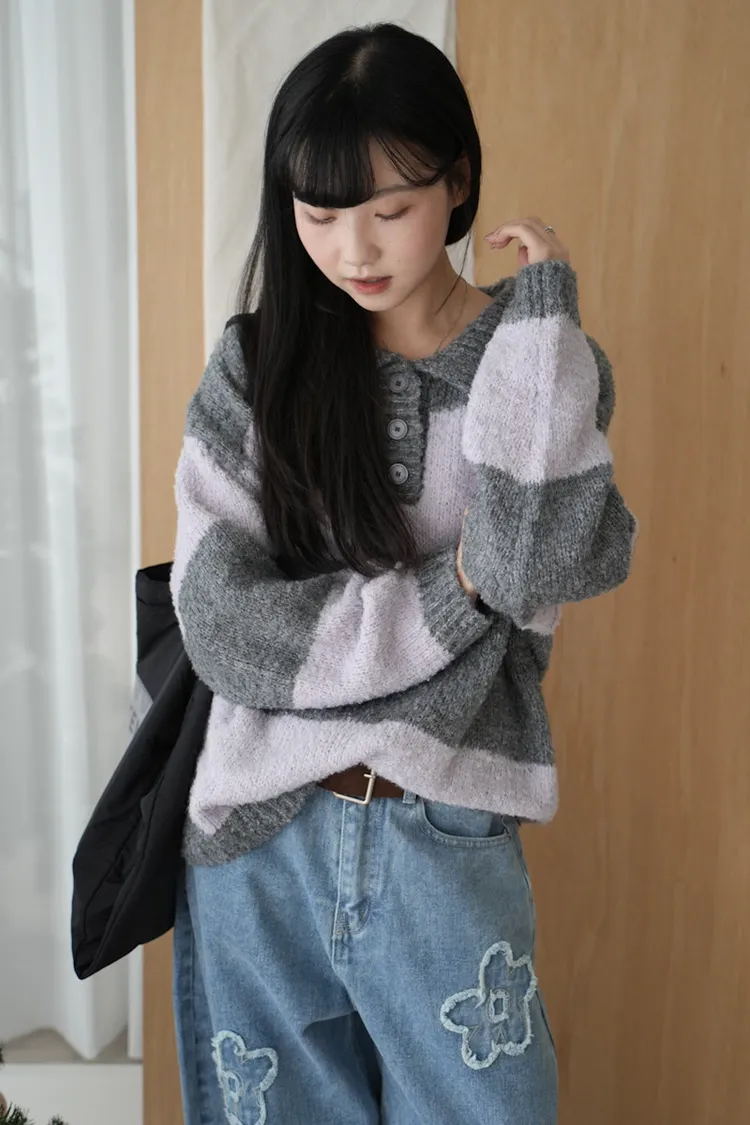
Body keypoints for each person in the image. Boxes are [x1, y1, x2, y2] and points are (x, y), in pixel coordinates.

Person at [170, 21, 636, 1125]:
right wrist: (451, 594)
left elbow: (533, 557)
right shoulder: (258, 367)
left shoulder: (537, 367)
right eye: (319, 213)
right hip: (261, 835)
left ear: (458, 181)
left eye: (389, 210)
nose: (354, 249)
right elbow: (223, 625)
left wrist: (543, 321)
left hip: (444, 835)